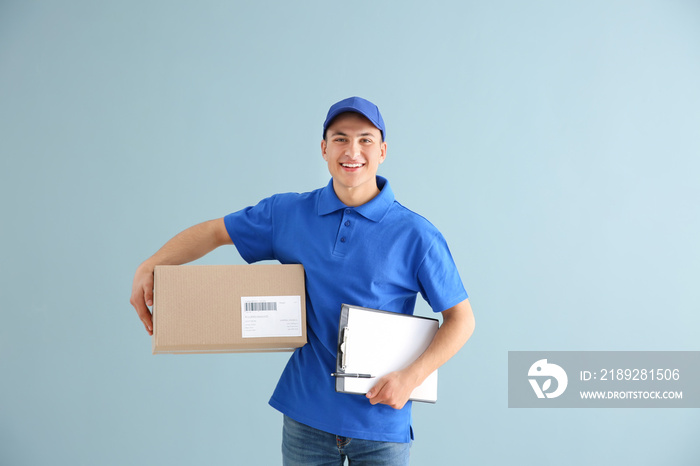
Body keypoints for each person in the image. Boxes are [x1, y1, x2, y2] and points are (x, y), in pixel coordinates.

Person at [130, 96, 475, 465]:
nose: (352, 150)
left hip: (380, 423)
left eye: (365, 139)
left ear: (383, 150)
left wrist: (411, 377)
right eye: (340, 139)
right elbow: (216, 231)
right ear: (324, 149)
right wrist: (151, 264)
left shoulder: (416, 234)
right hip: (305, 418)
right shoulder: (288, 214)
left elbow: (462, 320)